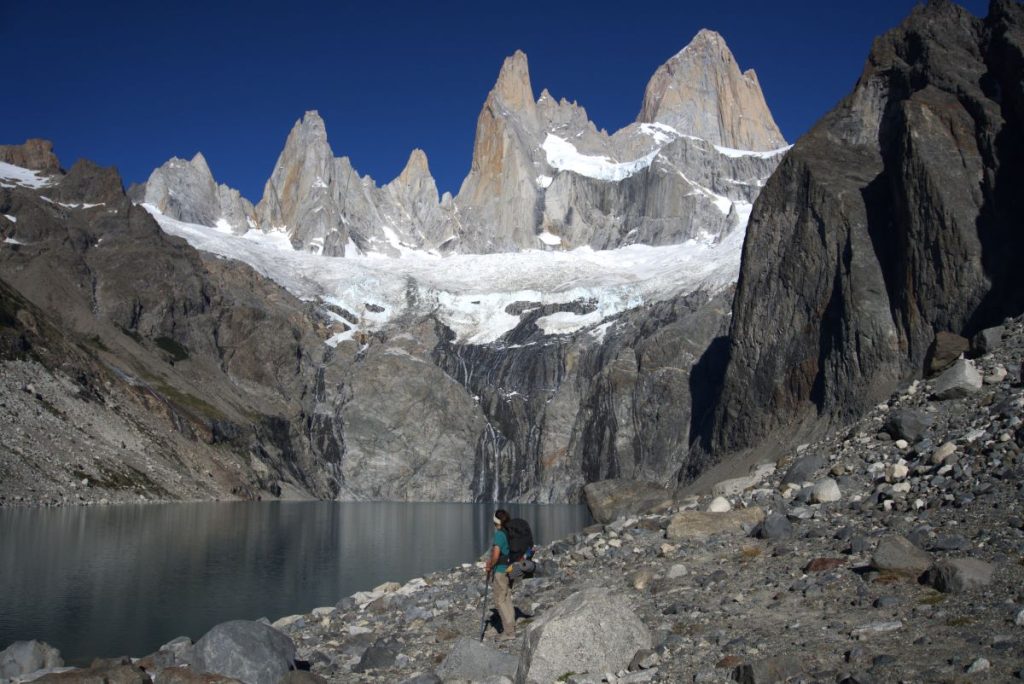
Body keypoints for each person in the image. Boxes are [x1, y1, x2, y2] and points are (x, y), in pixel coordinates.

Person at [485, 509, 517, 640]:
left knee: (499, 601)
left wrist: (490, 565)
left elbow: (496, 554)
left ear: (496, 521)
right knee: (507, 598)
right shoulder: (509, 532)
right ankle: (511, 627)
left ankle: (509, 632)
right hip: (509, 569)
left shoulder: (499, 535)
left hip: (500, 570)